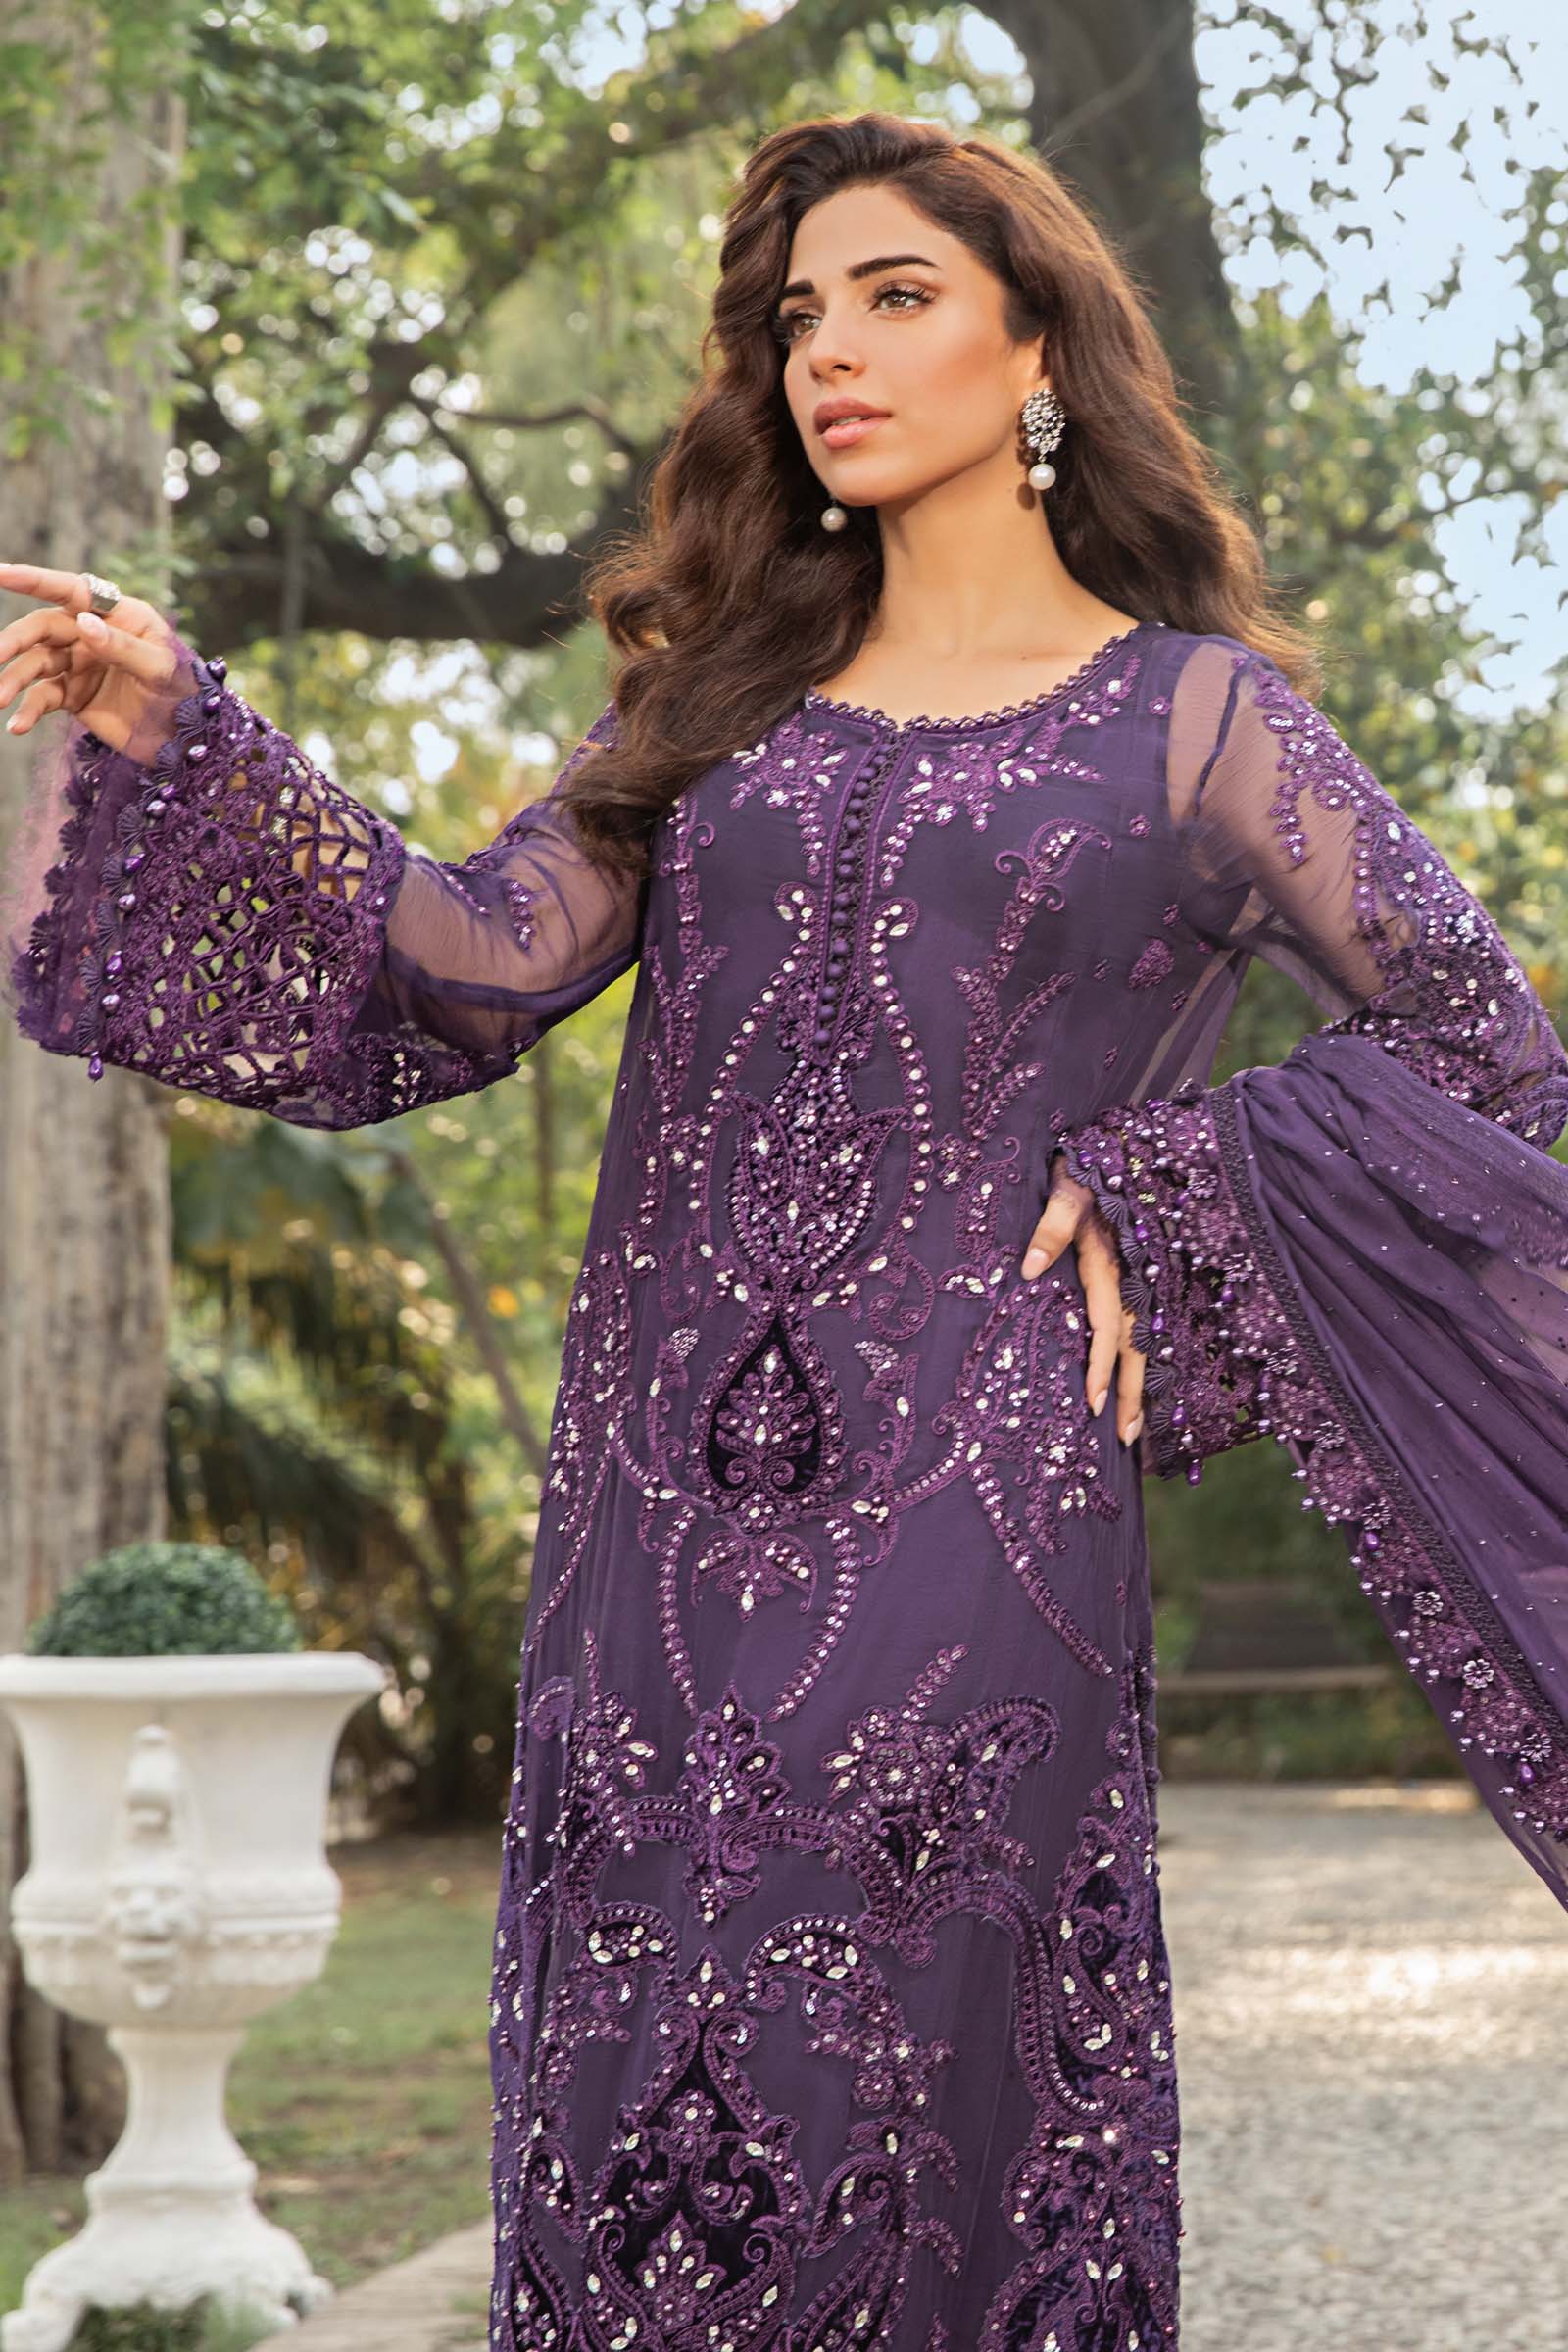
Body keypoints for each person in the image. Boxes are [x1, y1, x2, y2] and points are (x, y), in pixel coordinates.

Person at [3, 107, 1567, 2352]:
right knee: (636, 2057)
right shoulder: (712, 694)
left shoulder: (1190, 720)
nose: (827, 349)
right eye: (795, 314)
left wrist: (1170, 1187)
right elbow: (473, 960)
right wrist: (194, 723)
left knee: (905, 2065)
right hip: (650, 1518)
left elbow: (1482, 1048)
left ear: (1038, 349)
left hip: (982, 1491)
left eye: (894, 296)